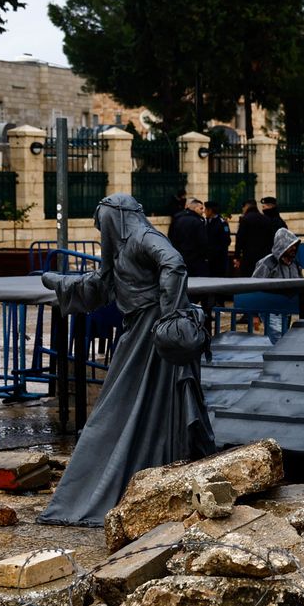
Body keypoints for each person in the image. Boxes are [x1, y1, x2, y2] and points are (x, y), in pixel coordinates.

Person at [38, 193, 214, 526]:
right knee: (138, 406)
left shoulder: (143, 237)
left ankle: (158, 474)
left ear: (116, 218)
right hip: (141, 334)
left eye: (102, 221)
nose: (101, 228)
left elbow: (174, 263)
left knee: (122, 407)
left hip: (153, 335)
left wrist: (170, 313)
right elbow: (102, 284)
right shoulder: (122, 245)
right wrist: (63, 283)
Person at [252, 227, 303, 342]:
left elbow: (300, 283)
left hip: (286, 309)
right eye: (291, 245)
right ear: (282, 245)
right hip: (270, 309)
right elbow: (254, 286)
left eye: (295, 245)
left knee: (282, 340)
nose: (294, 248)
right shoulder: (267, 263)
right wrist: (255, 314)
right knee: (278, 340)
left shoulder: (294, 264)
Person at [168, 197, 210, 278]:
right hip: (196, 259)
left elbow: (171, 237)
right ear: (195, 208)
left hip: (180, 257)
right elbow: (202, 241)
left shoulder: (177, 219)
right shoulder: (198, 221)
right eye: (201, 208)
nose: (203, 211)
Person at [236, 198, 274, 276]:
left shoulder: (245, 219)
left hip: (248, 257)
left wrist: (237, 256)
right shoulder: (266, 219)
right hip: (264, 257)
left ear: (246, 207)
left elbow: (240, 238)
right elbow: (271, 238)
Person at [203, 200, 231, 277]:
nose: (204, 212)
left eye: (205, 209)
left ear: (210, 211)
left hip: (219, 258)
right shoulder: (206, 221)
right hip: (209, 258)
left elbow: (226, 240)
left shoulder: (222, 222)